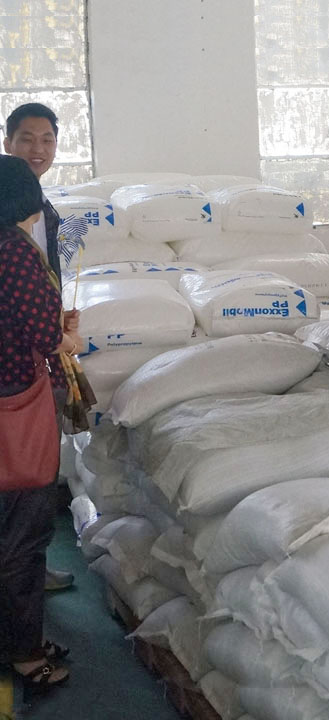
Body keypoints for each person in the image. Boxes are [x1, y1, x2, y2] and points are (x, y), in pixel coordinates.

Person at [0, 155, 83, 695]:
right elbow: (41, 333)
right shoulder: (13, 251)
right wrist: (65, 337)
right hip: (16, 408)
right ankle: (26, 654)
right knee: (23, 538)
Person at [4, 102, 78, 591]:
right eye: (28, 138)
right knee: (22, 478)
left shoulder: (44, 209)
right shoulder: (9, 229)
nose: (38, 148)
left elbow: (46, 276)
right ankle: (19, 575)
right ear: (8, 142)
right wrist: (57, 336)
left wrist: (55, 314)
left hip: (32, 358)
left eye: (47, 139)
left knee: (27, 479)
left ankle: (26, 569)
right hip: (17, 372)